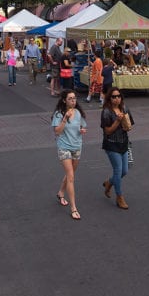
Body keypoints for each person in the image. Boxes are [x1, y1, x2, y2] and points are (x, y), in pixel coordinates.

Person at [52, 90, 87, 220]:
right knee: (71, 176)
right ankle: (73, 208)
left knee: (70, 174)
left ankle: (61, 192)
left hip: (77, 146)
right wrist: (65, 119)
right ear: (64, 100)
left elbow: (82, 126)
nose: (73, 100)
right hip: (64, 147)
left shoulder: (78, 113)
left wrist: (82, 130)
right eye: (70, 98)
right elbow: (57, 132)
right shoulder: (58, 114)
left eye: (74, 98)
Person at [101, 87, 133, 210]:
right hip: (111, 144)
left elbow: (130, 125)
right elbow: (107, 131)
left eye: (119, 96)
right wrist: (117, 121)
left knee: (124, 171)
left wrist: (127, 127)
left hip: (123, 143)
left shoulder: (124, 108)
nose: (117, 98)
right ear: (109, 98)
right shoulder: (106, 112)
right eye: (114, 96)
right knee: (118, 170)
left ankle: (109, 182)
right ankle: (119, 197)